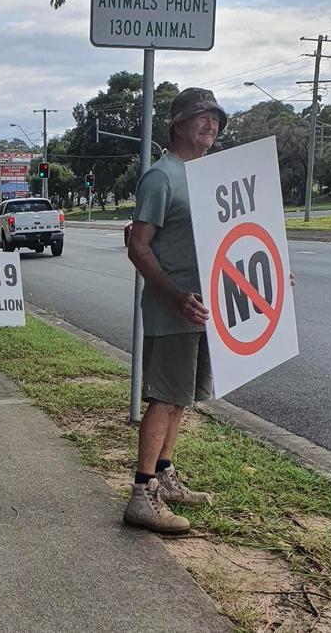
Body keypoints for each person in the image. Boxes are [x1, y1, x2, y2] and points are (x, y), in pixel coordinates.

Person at [124, 87, 228, 535]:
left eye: (216, 118)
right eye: (201, 117)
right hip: (175, 310)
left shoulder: (214, 178)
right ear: (178, 124)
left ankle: (165, 476)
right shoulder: (162, 177)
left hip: (205, 310)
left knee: (181, 398)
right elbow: (138, 244)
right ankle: (141, 495)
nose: (211, 124)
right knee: (165, 397)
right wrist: (172, 295)